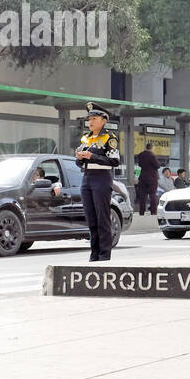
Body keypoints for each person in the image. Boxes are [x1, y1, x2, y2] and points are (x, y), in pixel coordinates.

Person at [75, 102, 120, 262]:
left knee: (102, 217)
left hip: (102, 178)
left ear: (104, 120)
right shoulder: (86, 138)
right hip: (87, 177)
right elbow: (79, 163)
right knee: (91, 217)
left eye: (94, 118)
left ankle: (104, 254)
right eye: (90, 119)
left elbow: (114, 161)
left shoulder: (110, 138)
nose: (91, 122)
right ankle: (94, 253)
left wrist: (92, 156)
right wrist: (79, 158)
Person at [134, 142, 161, 215]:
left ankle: (141, 211)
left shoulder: (141, 154)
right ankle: (153, 211)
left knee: (142, 196)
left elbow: (139, 164)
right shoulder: (152, 155)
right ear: (152, 147)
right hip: (152, 178)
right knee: (153, 195)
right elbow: (157, 165)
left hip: (142, 177)